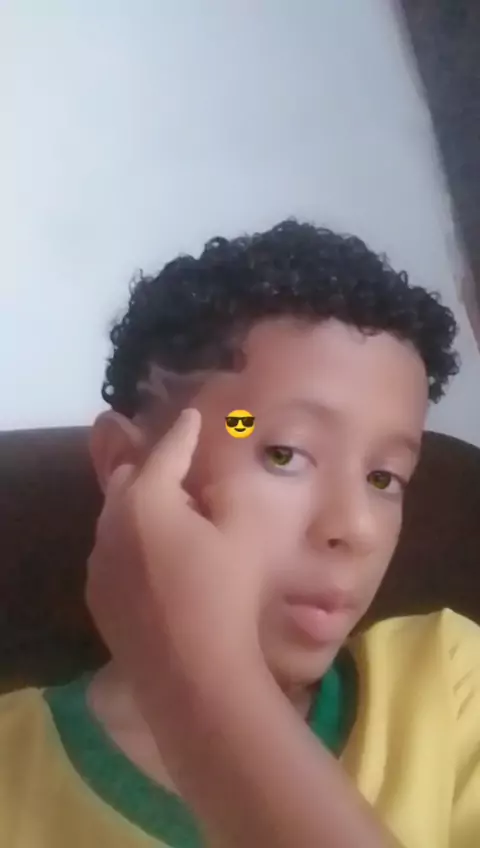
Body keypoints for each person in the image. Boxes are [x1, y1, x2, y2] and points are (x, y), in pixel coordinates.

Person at [1, 220, 479, 848]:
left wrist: (196, 677)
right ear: (126, 466)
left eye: (384, 478)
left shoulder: (451, 681)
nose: (357, 528)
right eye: (284, 453)